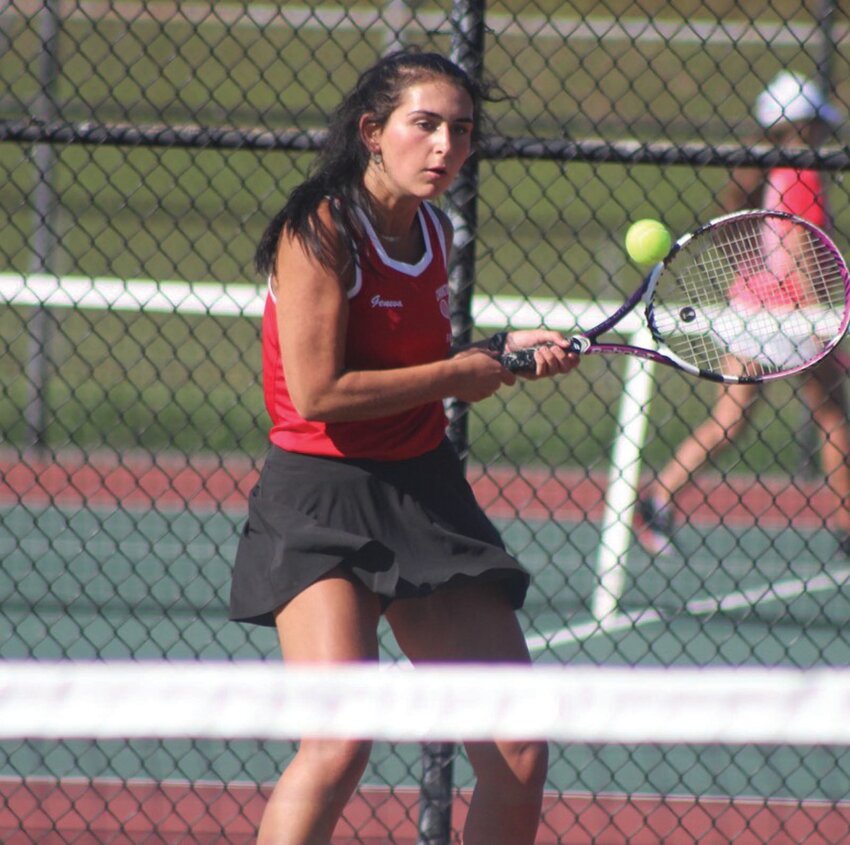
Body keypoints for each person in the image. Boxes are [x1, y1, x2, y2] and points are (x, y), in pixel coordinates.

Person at [229, 49, 579, 845]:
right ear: (372, 133)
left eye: (461, 130)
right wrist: (460, 373)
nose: (445, 147)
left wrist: (501, 347)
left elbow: (408, 355)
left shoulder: (433, 227)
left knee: (518, 746)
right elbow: (320, 392)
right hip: (321, 494)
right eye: (425, 126)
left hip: (422, 490)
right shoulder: (319, 227)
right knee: (339, 742)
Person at [639, 70, 850, 556]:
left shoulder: (764, 174)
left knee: (731, 422)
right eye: (816, 123)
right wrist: (822, 320)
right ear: (799, 126)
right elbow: (800, 247)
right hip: (791, 315)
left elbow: (752, 246)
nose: (824, 133)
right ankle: (846, 526)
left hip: (751, 308)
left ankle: (659, 496)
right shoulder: (802, 175)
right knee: (833, 415)